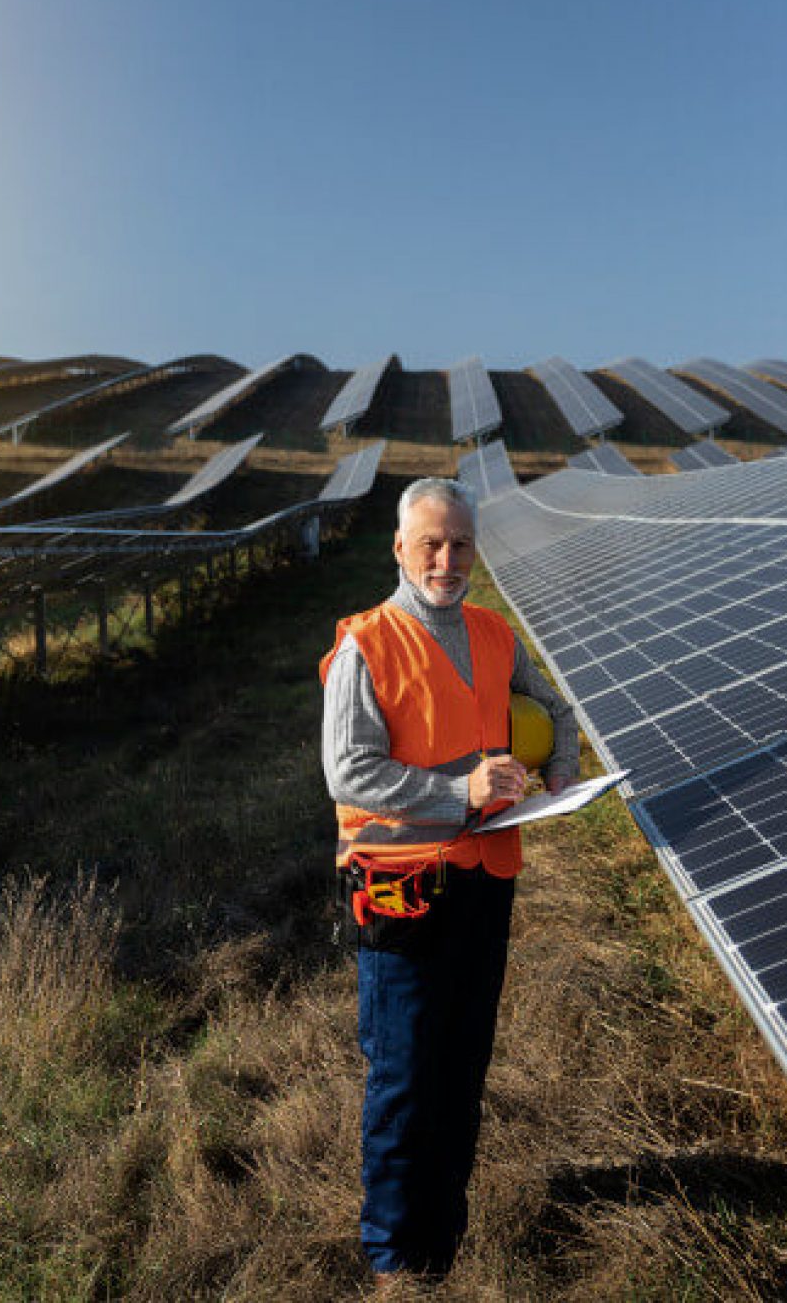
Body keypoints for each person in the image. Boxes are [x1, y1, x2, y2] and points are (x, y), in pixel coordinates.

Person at [318, 476, 579, 1284]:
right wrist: (454, 792)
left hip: (485, 880)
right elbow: (347, 770)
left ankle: (445, 1238)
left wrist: (561, 770)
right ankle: (395, 1259)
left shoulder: (496, 634)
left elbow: (556, 709)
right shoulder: (368, 642)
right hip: (402, 889)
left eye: (460, 543)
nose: (446, 557)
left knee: (464, 1063)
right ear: (400, 548)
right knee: (405, 1072)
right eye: (430, 542)